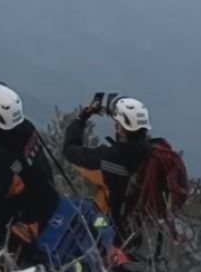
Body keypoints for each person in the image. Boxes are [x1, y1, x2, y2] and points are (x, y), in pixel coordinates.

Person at [0, 81, 63, 272]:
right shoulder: (26, 128)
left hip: (28, 228)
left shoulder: (1, 160)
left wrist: (1, 236)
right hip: (47, 208)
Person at [63, 94, 154, 252]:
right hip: (137, 227)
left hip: (110, 227)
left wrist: (82, 117)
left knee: (82, 213)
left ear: (121, 128)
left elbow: (70, 151)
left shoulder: (110, 158)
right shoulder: (151, 150)